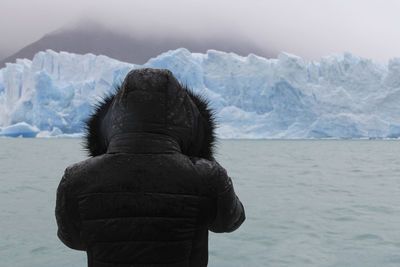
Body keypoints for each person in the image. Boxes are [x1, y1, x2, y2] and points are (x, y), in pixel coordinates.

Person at [55, 68, 245, 267]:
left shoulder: (77, 178)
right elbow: (230, 221)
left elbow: (72, 239)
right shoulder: (207, 177)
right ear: (187, 121)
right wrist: (203, 156)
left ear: (113, 118)